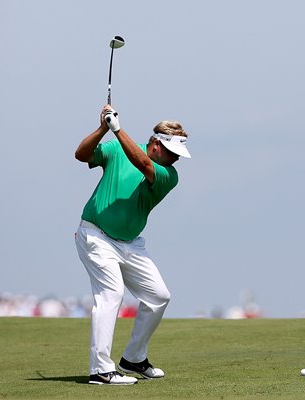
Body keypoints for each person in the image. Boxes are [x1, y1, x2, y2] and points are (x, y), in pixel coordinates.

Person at [74, 105, 191, 385]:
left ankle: (134, 358)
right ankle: (100, 369)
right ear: (155, 143)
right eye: (172, 153)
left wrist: (116, 129)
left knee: (159, 296)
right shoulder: (115, 150)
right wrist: (103, 128)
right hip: (96, 236)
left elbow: (142, 163)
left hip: (131, 244)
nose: (175, 160)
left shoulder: (167, 175)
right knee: (111, 294)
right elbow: (81, 154)